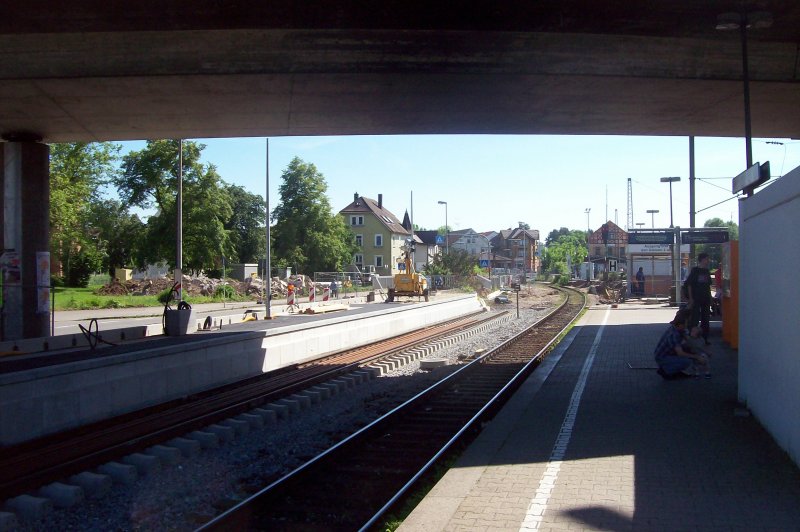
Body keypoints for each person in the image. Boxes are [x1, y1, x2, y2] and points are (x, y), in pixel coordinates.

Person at [654, 309, 706, 380]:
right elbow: (680, 353)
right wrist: (697, 357)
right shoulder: (674, 334)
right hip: (662, 357)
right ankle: (666, 371)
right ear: (680, 325)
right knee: (686, 361)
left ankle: (673, 370)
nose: (686, 326)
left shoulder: (678, 329)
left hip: (669, 353)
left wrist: (701, 350)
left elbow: (689, 341)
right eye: (685, 324)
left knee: (688, 349)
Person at [685, 253, 712, 345]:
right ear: (702, 260)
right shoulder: (695, 271)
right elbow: (689, 284)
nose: (708, 261)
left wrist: (710, 298)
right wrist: (691, 298)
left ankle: (705, 338)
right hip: (696, 298)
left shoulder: (707, 271)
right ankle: (692, 336)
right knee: (695, 318)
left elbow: (708, 286)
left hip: (706, 298)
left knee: (706, 319)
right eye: (707, 259)